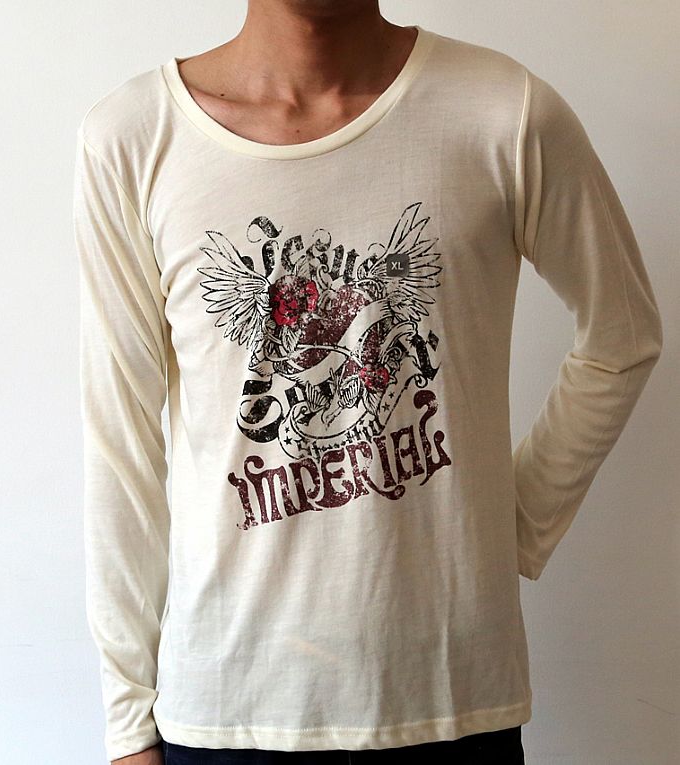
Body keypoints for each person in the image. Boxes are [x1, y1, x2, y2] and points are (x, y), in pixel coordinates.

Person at [72, 1, 663, 764]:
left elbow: (623, 334)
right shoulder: (133, 138)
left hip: (451, 701)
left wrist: (517, 518)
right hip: (228, 709)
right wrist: (127, 723)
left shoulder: (504, 112)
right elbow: (118, 438)